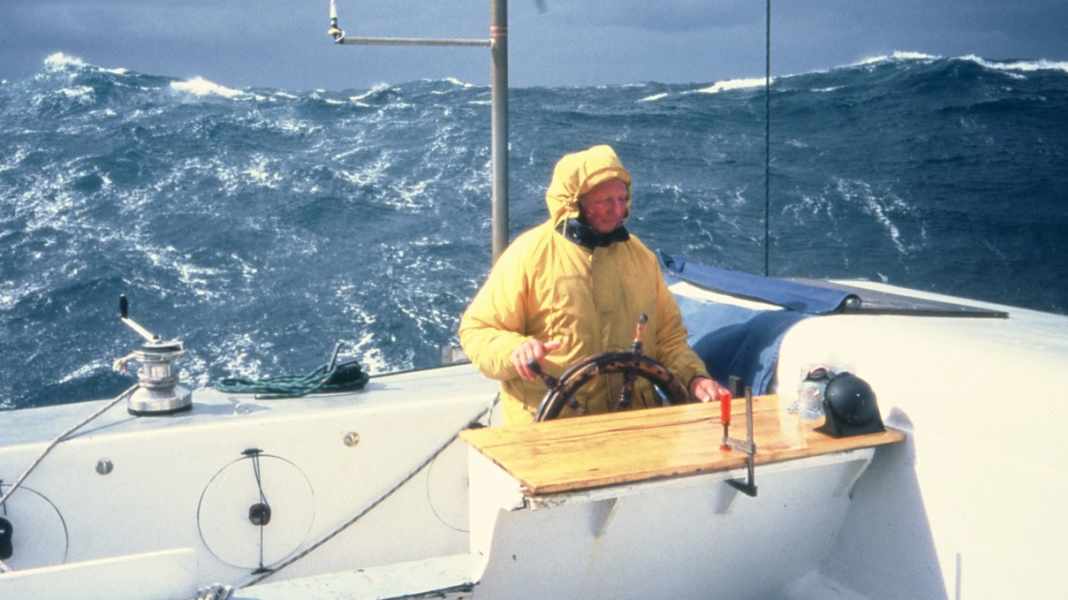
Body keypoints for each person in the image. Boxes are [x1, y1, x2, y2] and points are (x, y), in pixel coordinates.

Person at [459, 144, 728, 425]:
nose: (617, 210)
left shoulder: (642, 258)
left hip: (635, 429)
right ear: (575, 203)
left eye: (622, 199)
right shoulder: (529, 255)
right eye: (605, 201)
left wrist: (694, 377)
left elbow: (668, 340)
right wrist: (515, 349)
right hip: (551, 433)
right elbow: (477, 331)